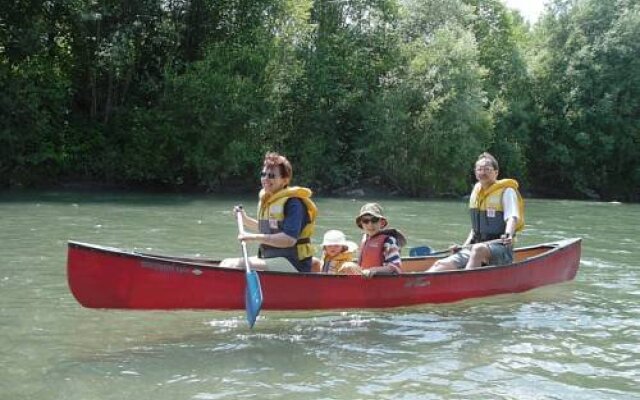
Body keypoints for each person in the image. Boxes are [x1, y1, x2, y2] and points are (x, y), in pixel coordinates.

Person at [220, 152, 318, 272]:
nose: (265, 178)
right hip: (273, 259)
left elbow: (289, 239)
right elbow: (269, 229)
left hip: (292, 263)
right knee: (225, 262)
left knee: (230, 266)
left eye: (271, 175)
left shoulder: (293, 203)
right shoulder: (268, 199)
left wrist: (253, 237)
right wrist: (245, 220)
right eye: (263, 174)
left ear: (285, 180)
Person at [429, 152, 525, 272]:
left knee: (478, 249)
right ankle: (419, 286)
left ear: (496, 172)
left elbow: (512, 217)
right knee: (440, 264)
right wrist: (463, 246)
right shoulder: (476, 192)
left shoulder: (507, 191)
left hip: (500, 247)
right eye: (479, 169)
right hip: (475, 246)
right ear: (475, 172)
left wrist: (508, 234)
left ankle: (464, 283)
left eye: (487, 169)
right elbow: (475, 229)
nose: (482, 172)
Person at [340, 203, 407, 278]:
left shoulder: (389, 241)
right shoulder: (365, 238)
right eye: (366, 221)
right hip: (365, 281)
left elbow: (395, 267)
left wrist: (373, 270)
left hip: (382, 283)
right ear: (361, 223)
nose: (370, 224)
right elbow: (362, 265)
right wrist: (350, 265)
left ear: (382, 223)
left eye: (374, 220)